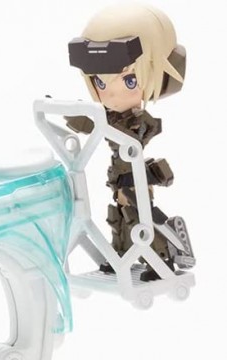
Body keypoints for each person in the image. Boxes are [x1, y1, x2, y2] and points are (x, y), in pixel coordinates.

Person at [66, 4, 186, 281]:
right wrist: (71, 116)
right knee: (118, 218)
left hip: (134, 180)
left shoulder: (139, 122)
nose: (112, 95)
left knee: (141, 220)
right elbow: (93, 123)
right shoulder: (109, 117)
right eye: (100, 82)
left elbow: (130, 136)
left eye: (129, 80)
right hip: (120, 180)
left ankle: (162, 258)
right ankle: (120, 255)